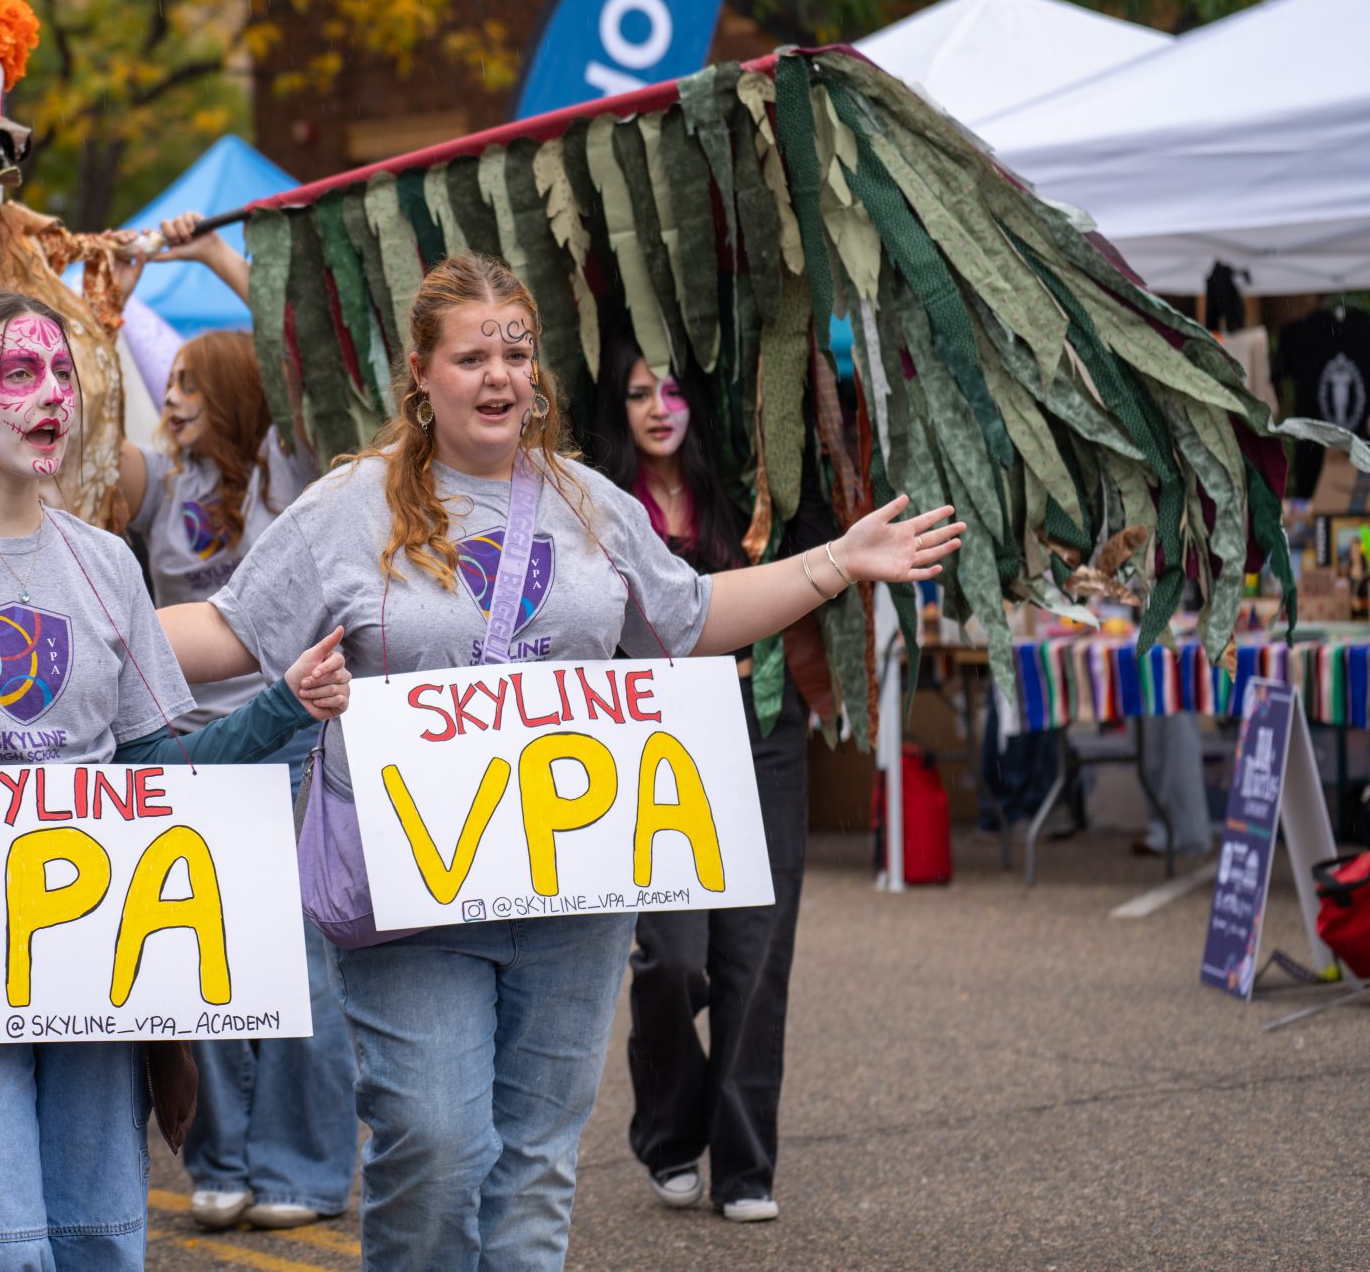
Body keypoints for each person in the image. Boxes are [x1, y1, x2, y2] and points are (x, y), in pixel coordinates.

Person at [156, 254, 963, 1272]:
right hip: (412, 898)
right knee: (437, 1144)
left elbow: (690, 616)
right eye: (470, 356)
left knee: (535, 1165)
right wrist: (92, 636)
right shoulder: (345, 510)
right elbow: (231, 631)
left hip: (573, 891)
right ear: (420, 371)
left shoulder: (589, 501)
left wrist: (836, 561)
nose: (499, 375)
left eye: (516, 353)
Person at [0, 287, 353, 1272]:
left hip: (95, 970)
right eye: (19, 372)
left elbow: (158, 768)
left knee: (98, 1244)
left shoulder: (106, 565)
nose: (52, 396)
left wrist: (282, 706)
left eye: (62, 375)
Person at [109, 314, 354, 1234]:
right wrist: (106, 302)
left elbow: (306, 360)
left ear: (234, 396)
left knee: (301, 960)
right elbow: (99, 421)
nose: (168, 398)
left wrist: (211, 254)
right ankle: (218, 1156)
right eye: (164, 382)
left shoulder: (286, 470)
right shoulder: (157, 478)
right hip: (184, 744)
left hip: (293, 736)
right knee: (195, 948)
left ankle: (305, 1166)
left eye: (188, 383)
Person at [589, 342, 814, 1224]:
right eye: (639, 391)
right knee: (674, 958)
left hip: (761, 731)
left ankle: (747, 1167)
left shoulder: (743, 492)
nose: (657, 406)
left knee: (757, 955)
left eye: (673, 389)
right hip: (655, 745)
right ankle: (670, 1133)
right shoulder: (601, 502)